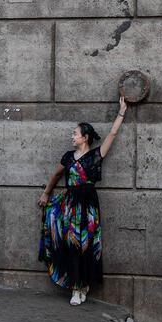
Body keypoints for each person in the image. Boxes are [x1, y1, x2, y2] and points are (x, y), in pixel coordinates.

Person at [38, 95, 129, 305]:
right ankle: (75, 286)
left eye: (75, 133)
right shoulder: (68, 157)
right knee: (71, 244)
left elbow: (113, 133)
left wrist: (121, 112)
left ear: (85, 137)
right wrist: (46, 193)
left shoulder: (96, 156)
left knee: (86, 245)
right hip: (70, 204)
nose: (72, 136)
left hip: (88, 205)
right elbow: (56, 175)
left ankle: (83, 286)